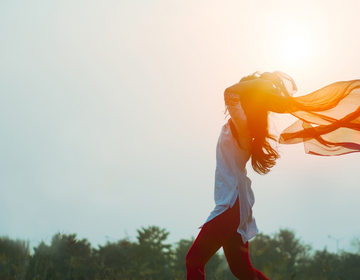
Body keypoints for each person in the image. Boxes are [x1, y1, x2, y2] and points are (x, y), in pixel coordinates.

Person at [185, 71, 360, 280]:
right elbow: (235, 94)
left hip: (232, 204)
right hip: (235, 204)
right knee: (242, 270)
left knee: (194, 261)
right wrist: (258, 84)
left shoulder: (243, 124)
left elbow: (230, 93)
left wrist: (258, 83)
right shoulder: (243, 124)